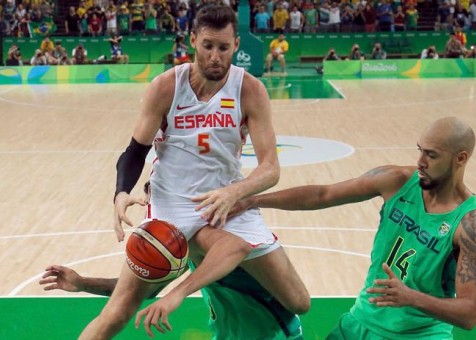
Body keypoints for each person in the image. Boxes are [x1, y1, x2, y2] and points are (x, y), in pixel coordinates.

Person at [79, 5, 309, 338]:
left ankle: (199, 262)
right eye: (208, 46)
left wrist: (233, 193)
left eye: (224, 47)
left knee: (298, 300)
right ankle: (202, 263)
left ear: (237, 45)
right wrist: (121, 192)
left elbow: (271, 168)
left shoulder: (250, 90)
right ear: (193, 41)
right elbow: (134, 152)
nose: (216, 56)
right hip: (172, 205)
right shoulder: (166, 87)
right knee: (118, 313)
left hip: (227, 202)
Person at [233, 117, 476, 339]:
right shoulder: (397, 181)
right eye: (420, 150)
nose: (420, 161)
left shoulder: (472, 224)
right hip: (360, 322)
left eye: (432, 155)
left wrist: (412, 297)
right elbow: (323, 194)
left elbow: (470, 314)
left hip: (420, 333)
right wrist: (252, 200)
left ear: (460, 158)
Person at [40, 182, 303, 339]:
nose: (151, 209)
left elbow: (235, 246)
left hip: (272, 335)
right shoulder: (177, 242)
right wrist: (83, 283)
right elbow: (143, 289)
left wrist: (176, 295)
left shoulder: (209, 234)